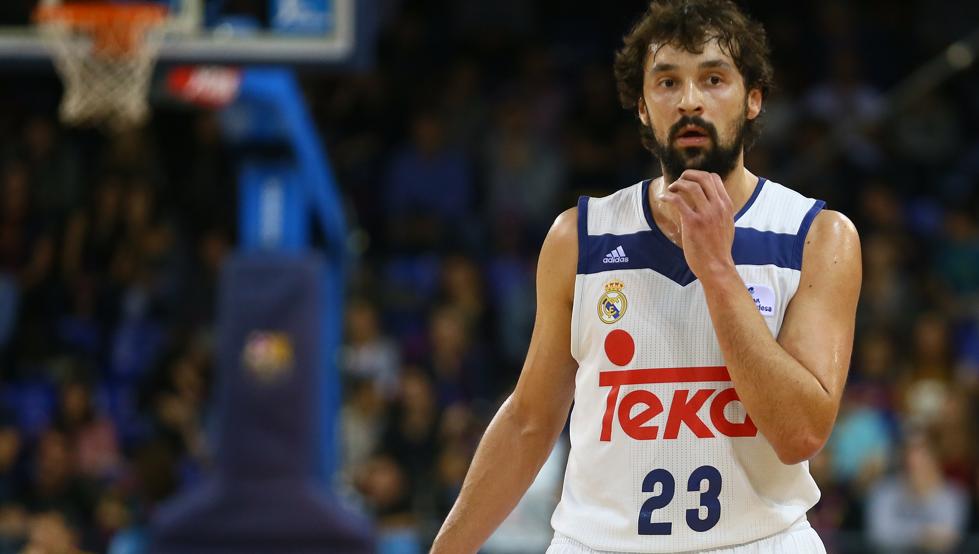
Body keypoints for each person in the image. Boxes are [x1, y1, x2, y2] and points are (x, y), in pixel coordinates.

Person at [432, 1, 861, 553]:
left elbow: (800, 432)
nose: (689, 101)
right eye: (667, 82)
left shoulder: (817, 237)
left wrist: (716, 269)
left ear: (753, 99)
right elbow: (528, 423)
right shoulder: (578, 238)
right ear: (641, 107)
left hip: (760, 541)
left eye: (713, 79)